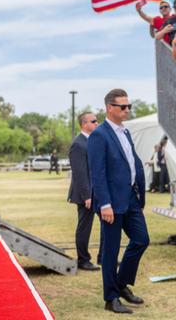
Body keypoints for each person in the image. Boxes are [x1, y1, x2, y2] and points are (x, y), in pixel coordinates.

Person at [88, 89, 149, 314]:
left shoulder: (125, 132)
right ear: (109, 108)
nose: (127, 110)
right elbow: (98, 173)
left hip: (131, 199)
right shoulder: (99, 135)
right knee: (111, 252)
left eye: (128, 106)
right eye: (123, 107)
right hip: (111, 203)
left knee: (141, 240)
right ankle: (110, 298)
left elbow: (131, 162)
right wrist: (104, 204)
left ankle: (121, 284)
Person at [68, 112, 100, 271]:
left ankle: (105, 257)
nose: (97, 123)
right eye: (94, 121)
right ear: (84, 124)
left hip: (97, 192)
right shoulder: (78, 144)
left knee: (108, 224)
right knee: (84, 227)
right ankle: (83, 260)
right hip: (85, 194)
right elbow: (79, 173)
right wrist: (87, 195)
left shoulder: (91, 141)